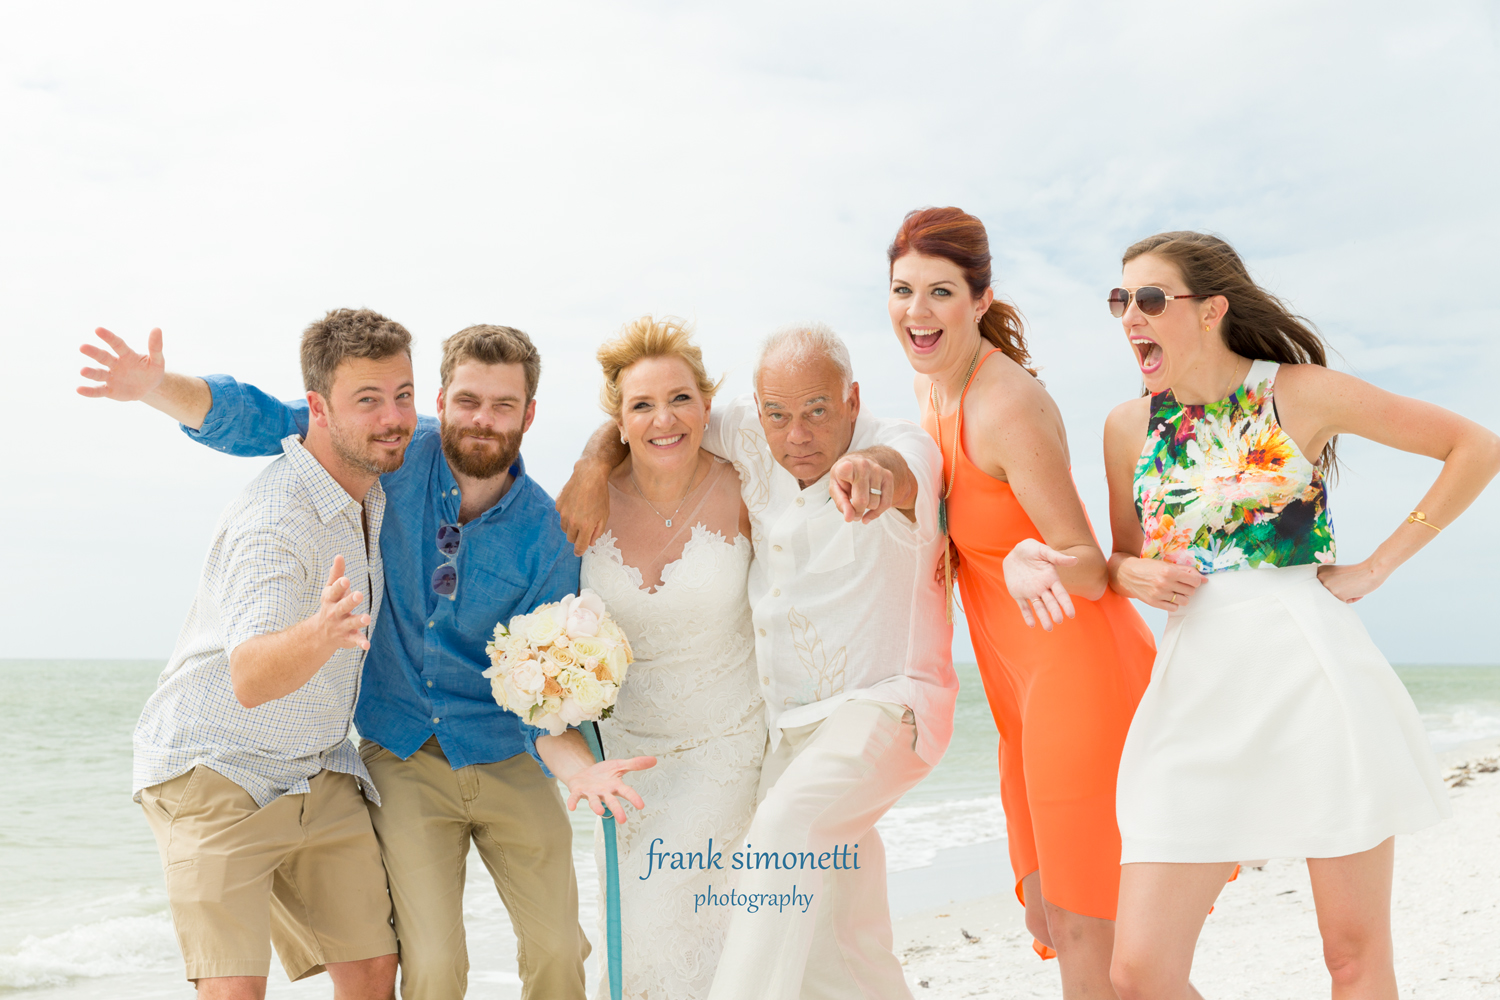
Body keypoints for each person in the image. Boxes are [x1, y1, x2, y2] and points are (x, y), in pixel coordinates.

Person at [77, 321, 626, 1000]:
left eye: (503, 405)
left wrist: (598, 458)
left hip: (479, 749)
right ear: (442, 401)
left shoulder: (545, 529)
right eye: (467, 401)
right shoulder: (389, 455)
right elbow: (263, 418)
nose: (483, 420)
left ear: (529, 414)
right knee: (429, 966)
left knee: (551, 954)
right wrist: (158, 387)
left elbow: (546, 684)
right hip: (374, 752)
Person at [1090, 231, 1499, 998]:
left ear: (1210, 309)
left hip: (1310, 673)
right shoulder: (1127, 426)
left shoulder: (1297, 392)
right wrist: (1129, 573)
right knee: (1139, 970)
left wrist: (1379, 565)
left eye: (1148, 298)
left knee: (1351, 954)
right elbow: (1120, 555)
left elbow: (1474, 447)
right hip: (1192, 688)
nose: (1130, 317)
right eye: (1120, 300)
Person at [560, 323, 959, 1000]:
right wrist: (593, 463)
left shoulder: (898, 443)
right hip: (785, 731)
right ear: (755, 408)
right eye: (778, 414)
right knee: (838, 940)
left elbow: (902, 472)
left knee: (780, 832)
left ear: (853, 400)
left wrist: (871, 473)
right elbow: (651, 416)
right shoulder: (746, 433)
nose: (797, 434)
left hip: (883, 706)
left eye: (818, 411)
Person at [95, 309, 412, 999]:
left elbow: (240, 408)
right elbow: (249, 676)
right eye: (368, 400)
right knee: (235, 988)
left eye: (403, 394)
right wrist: (319, 634)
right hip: (215, 768)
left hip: (315, 764)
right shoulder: (277, 521)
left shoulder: (371, 479)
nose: (393, 418)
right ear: (318, 411)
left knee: (372, 971)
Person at [885, 206, 1156, 997]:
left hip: (1078, 671)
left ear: (981, 300)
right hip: (1015, 690)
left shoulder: (1007, 405)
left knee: (1088, 931)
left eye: (941, 292)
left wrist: (1026, 560)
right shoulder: (931, 388)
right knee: (1048, 914)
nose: (918, 311)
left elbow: (1090, 567)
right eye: (903, 290)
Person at [532, 315, 764, 1000]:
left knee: (693, 937)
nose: (664, 419)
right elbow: (551, 650)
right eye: (642, 405)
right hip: (630, 767)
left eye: (680, 398)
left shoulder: (746, 485)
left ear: (706, 404)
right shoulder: (585, 502)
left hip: (732, 752)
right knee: (635, 947)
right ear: (619, 422)